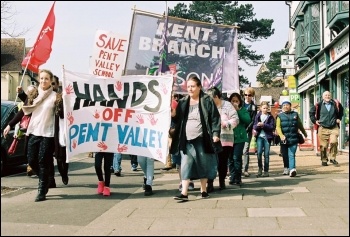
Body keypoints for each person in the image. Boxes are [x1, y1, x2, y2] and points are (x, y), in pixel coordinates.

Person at [170, 76, 221, 201]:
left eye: (193, 86)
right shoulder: (183, 102)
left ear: (199, 87)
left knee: (203, 163)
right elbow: (177, 121)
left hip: (201, 138)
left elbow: (215, 118)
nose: (190, 89)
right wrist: (173, 115)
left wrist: (215, 134)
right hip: (186, 139)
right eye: (188, 86)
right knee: (185, 164)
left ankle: (203, 190)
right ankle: (184, 192)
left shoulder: (206, 100)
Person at [21, 69, 57, 202]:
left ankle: (42, 190)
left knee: (43, 161)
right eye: (41, 78)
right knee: (31, 160)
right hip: (33, 131)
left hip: (48, 133)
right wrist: (20, 93)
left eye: (46, 78)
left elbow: (62, 113)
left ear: (51, 80)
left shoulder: (55, 96)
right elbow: (24, 107)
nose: (43, 81)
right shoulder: (34, 94)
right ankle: (46, 179)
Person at [206, 87, 238, 190]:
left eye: (211, 99)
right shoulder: (208, 106)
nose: (210, 102)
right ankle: (209, 182)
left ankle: (221, 181)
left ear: (216, 96)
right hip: (211, 138)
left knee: (223, 161)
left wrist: (226, 124)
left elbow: (235, 119)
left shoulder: (227, 105)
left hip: (226, 138)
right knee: (211, 161)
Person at [3, 84, 39, 176]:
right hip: (27, 131)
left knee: (39, 154)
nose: (29, 94)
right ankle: (34, 167)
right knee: (28, 152)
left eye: (31, 92)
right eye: (28, 92)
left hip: (39, 131)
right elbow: (20, 113)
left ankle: (42, 174)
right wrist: (9, 125)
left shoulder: (40, 101)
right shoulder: (27, 102)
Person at [309, 91, 344, 166]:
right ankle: (324, 159)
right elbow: (311, 113)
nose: (327, 96)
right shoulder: (318, 105)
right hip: (322, 127)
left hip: (333, 127)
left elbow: (341, 111)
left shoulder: (336, 103)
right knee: (324, 146)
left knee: (334, 142)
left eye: (328, 95)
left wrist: (339, 118)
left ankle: (332, 158)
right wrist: (315, 121)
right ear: (322, 97)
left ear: (330, 96)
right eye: (326, 95)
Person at [276, 100, 307, 177]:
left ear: (290, 106)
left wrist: (304, 133)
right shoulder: (280, 116)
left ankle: (292, 169)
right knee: (285, 155)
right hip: (284, 139)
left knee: (291, 154)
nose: (285, 106)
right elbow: (278, 127)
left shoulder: (295, 115)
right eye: (284, 105)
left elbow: (300, 125)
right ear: (282, 107)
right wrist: (281, 135)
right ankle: (286, 167)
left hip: (293, 138)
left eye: (287, 105)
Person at [228, 93, 251, 185]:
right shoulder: (227, 110)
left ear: (240, 102)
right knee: (230, 159)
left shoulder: (243, 110)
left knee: (236, 157)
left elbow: (247, 120)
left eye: (236, 101)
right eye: (233, 101)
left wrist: (237, 111)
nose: (234, 103)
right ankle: (232, 177)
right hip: (229, 137)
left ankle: (238, 177)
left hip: (240, 137)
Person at [253, 101, 275, 177]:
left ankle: (266, 170)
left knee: (266, 154)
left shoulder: (270, 117)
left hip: (267, 137)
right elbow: (254, 126)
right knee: (259, 153)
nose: (265, 109)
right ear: (260, 108)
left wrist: (264, 125)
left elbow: (272, 127)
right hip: (259, 137)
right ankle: (260, 169)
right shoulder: (258, 116)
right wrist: (258, 126)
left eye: (266, 108)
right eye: (264, 108)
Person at [241, 87, 257, 177]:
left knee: (245, 150)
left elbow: (253, 119)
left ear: (252, 96)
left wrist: (248, 128)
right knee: (238, 149)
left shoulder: (254, 106)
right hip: (239, 129)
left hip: (248, 130)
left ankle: (245, 169)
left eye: (249, 95)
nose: (247, 96)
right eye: (246, 95)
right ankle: (237, 169)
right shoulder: (241, 105)